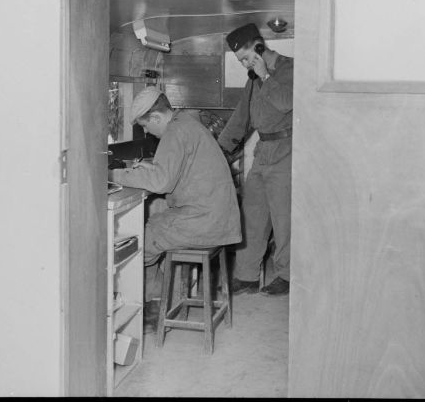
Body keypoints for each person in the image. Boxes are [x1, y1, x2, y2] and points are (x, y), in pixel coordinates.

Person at [114, 87, 242, 307]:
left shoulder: (174, 132)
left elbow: (160, 182)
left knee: (139, 240)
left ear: (155, 117)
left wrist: (112, 174)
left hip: (205, 221)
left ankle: (143, 305)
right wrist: (152, 168)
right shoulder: (186, 123)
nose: (146, 133)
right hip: (218, 217)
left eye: (145, 126)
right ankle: (158, 298)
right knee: (155, 223)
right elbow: (175, 171)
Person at [217, 22, 293, 296]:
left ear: (260, 46)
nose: (246, 64)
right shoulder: (253, 78)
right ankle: (247, 275)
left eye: (247, 58)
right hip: (263, 153)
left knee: (284, 219)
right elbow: (242, 118)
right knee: (252, 214)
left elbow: (287, 102)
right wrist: (220, 150)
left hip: (287, 151)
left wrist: (266, 77)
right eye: (241, 61)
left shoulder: (290, 69)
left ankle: (286, 275)